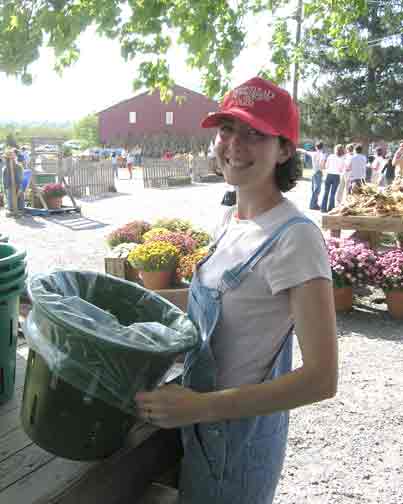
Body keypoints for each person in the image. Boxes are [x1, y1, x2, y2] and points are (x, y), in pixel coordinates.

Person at [135, 77, 338, 504]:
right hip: (200, 424)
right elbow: (220, 308)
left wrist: (198, 408)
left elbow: (321, 379)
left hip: (236, 439)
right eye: (227, 129)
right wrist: (129, 305)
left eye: (255, 134)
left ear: (284, 149)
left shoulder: (295, 238)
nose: (234, 144)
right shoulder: (230, 220)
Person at [297, 142, 326, 210]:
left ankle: (313, 204)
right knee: (317, 190)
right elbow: (322, 165)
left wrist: (298, 149)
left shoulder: (313, 153)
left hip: (313, 172)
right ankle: (313, 205)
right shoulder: (323, 155)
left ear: (316, 147)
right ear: (322, 147)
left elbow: (305, 151)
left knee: (314, 189)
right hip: (318, 172)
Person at [321, 144, 344, 213]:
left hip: (329, 175)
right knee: (333, 193)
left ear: (335, 150)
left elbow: (326, 166)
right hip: (336, 176)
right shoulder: (342, 158)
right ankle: (330, 208)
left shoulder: (330, 156)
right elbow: (341, 169)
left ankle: (323, 208)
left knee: (326, 192)